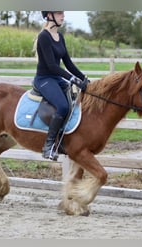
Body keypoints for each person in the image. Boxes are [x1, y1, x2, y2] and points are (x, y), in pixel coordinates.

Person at [33, 11, 88, 160]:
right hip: (44, 79)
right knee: (63, 106)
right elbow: (51, 66)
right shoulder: (44, 37)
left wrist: (84, 79)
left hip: (56, 78)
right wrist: (72, 79)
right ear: (49, 15)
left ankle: (65, 139)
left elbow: (68, 63)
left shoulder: (60, 37)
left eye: (63, 13)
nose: (62, 16)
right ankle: (48, 146)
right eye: (59, 13)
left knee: (74, 100)